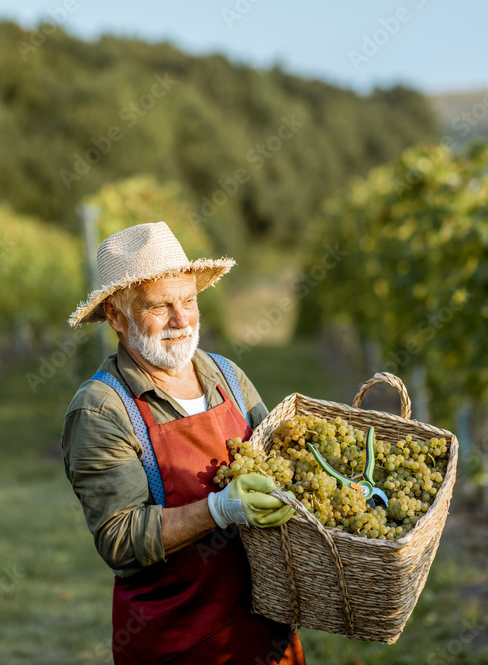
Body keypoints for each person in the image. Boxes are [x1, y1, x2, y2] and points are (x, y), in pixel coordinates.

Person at [61, 222, 305, 664]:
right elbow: (119, 539)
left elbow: (282, 466)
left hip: (265, 638)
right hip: (179, 643)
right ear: (116, 316)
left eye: (188, 301)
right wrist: (218, 509)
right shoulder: (103, 410)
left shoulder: (226, 376)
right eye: (160, 306)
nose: (181, 320)